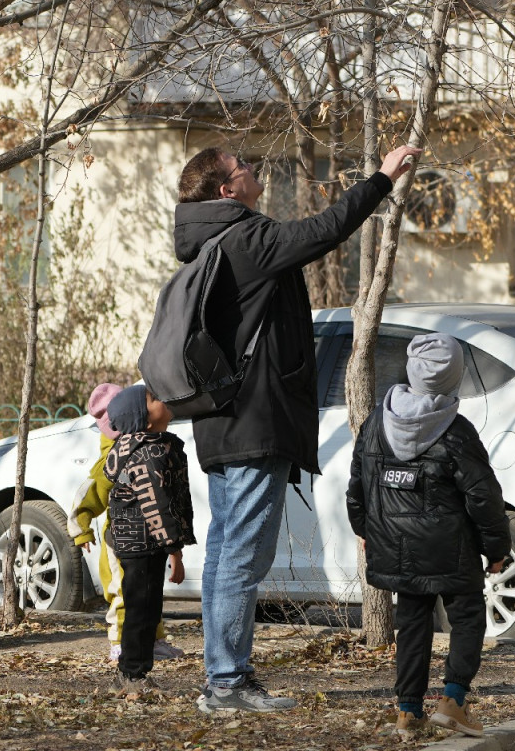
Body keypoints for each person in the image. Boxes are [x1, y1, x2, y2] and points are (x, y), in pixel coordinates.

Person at [173, 140, 421, 714]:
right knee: (242, 556)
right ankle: (228, 682)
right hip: (255, 422)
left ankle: (221, 677)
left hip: (221, 421)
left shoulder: (207, 244)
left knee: (224, 552)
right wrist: (381, 180)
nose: (255, 169)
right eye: (244, 167)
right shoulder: (246, 239)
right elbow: (325, 230)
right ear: (226, 190)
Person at [346, 333, 509, 738]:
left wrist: (366, 531)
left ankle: (407, 712)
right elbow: (483, 497)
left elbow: (357, 488)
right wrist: (496, 549)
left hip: (395, 547)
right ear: (454, 377)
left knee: (412, 621)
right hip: (451, 549)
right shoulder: (456, 431)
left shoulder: (374, 424)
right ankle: (453, 701)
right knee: (468, 616)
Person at [70, 380, 183, 665]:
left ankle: (153, 641)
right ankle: (120, 644)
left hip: (149, 537)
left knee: (149, 596)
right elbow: (89, 495)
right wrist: (81, 528)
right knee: (124, 594)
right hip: (120, 541)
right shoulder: (113, 457)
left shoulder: (149, 447)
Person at [103, 383, 194, 696]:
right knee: (142, 609)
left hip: (141, 541)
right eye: (154, 399)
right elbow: (158, 505)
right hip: (142, 542)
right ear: (143, 419)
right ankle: (131, 674)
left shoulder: (152, 445)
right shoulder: (148, 453)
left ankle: (135, 671)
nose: (163, 400)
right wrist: (175, 551)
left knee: (145, 608)